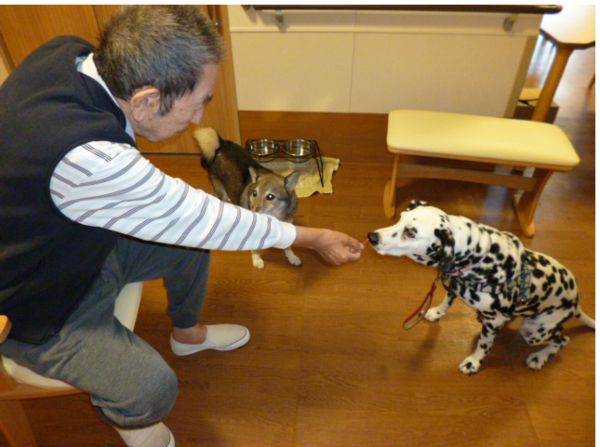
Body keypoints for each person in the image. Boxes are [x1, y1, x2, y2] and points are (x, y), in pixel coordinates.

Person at [0, 6, 363, 447]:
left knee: (189, 245)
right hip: (35, 302)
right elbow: (201, 217)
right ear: (147, 100)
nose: (198, 120)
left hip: (78, 246)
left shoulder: (67, 55)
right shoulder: (89, 158)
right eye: (199, 104)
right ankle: (139, 428)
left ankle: (187, 336)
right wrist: (313, 237)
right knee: (154, 389)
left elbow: (183, 218)